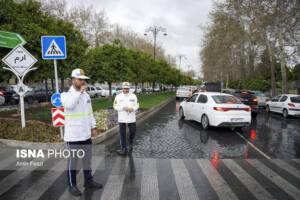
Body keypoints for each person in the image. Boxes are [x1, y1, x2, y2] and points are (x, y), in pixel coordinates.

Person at [61, 68, 102, 197]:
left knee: (87, 160)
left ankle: (88, 181)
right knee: (73, 162)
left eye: (83, 79)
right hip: (73, 136)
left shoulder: (86, 95)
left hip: (85, 134)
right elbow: (70, 105)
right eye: (80, 79)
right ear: (73, 80)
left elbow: (89, 112)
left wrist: (93, 127)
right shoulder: (66, 95)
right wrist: (79, 92)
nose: (83, 81)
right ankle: (72, 185)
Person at [113, 82, 139, 155]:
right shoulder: (118, 96)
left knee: (133, 132)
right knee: (122, 134)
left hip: (131, 118)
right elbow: (115, 106)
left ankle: (130, 142)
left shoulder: (133, 96)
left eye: (127, 88)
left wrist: (133, 109)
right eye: (125, 88)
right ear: (122, 88)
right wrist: (122, 108)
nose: (126, 90)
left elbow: (137, 105)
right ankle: (123, 148)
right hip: (122, 118)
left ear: (129, 89)